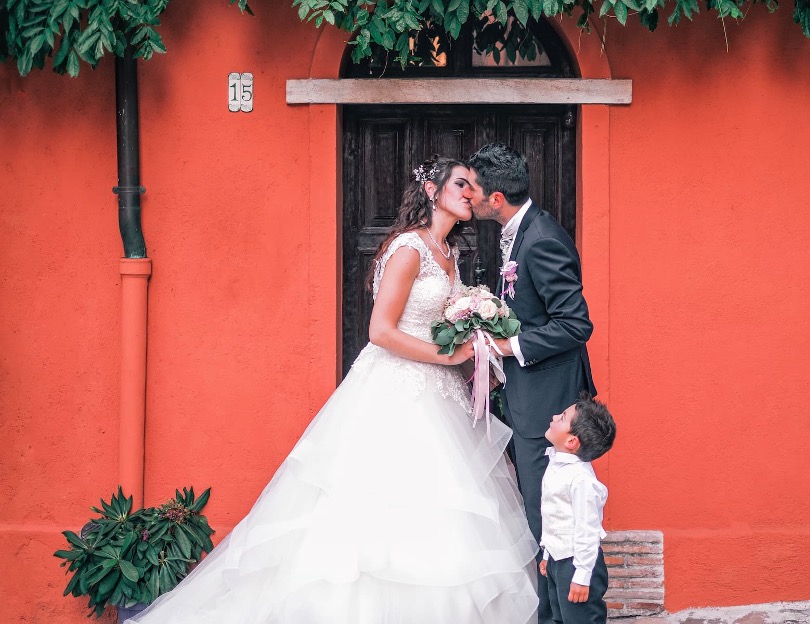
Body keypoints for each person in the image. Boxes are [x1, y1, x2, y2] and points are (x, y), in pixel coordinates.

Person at [127, 155, 539, 624]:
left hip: (439, 391)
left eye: (475, 187)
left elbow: (434, 322)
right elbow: (381, 332)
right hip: (397, 393)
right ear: (432, 191)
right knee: (378, 507)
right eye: (462, 184)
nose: (471, 193)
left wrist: (469, 334)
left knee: (441, 514)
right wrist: (452, 355)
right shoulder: (409, 249)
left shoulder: (450, 253)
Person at [467, 142, 597, 623]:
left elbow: (575, 324)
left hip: (549, 402)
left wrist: (507, 347)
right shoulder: (516, 232)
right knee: (543, 514)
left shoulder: (542, 239)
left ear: (496, 197)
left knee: (554, 516)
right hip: (529, 395)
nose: (470, 198)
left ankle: (566, 615)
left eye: (475, 190)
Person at [538, 394, 616, 624]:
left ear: (571, 441)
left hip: (577, 564)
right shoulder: (556, 464)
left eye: (561, 418)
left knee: (582, 619)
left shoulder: (581, 480)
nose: (554, 417)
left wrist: (582, 576)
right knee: (559, 618)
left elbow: (587, 530)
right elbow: (553, 515)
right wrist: (547, 554)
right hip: (557, 559)